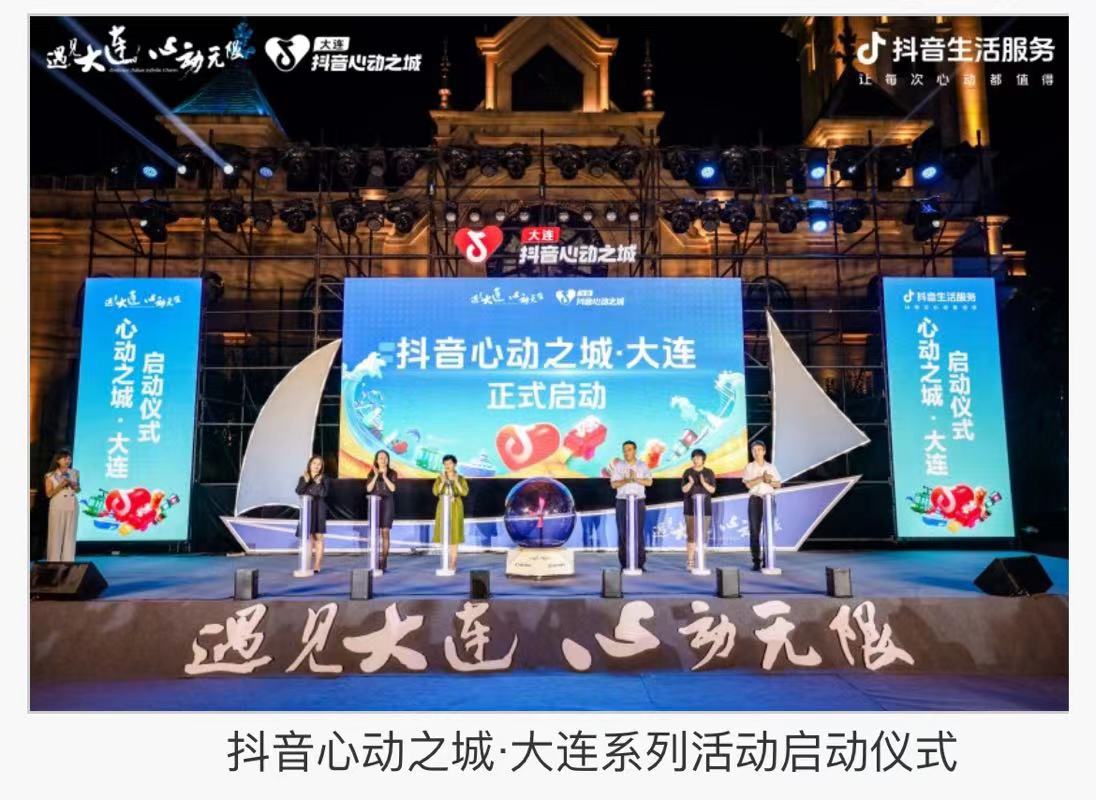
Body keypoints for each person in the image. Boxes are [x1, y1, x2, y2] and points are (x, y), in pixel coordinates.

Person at [609, 440, 652, 570]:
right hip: (623, 502)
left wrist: (636, 479)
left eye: (629, 449)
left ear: (635, 450)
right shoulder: (619, 466)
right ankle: (624, 563)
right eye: (624, 450)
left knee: (638, 531)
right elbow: (613, 484)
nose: (626, 452)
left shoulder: (642, 465)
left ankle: (639, 563)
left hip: (638, 501)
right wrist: (627, 480)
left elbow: (649, 482)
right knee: (622, 532)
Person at [742, 440, 782, 571]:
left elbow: (778, 484)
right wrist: (761, 478)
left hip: (769, 499)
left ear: (764, 451)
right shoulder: (749, 467)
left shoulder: (771, 467)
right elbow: (748, 485)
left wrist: (769, 481)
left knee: (769, 530)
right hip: (755, 499)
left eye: (759, 449)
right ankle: (756, 561)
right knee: (755, 530)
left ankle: (767, 560)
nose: (756, 452)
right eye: (754, 450)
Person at [432, 454, 469, 572]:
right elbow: (435, 492)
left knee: (454, 535)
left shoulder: (461, 478)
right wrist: (442, 482)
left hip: (456, 507)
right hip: (443, 506)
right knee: (444, 534)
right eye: (445, 464)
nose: (447, 466)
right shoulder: (440, 477)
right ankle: (445, 560)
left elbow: (464, 493)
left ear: (455, 464)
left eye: (450, 463)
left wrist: (456, 482)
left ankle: (453, 562)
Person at [681, 448, 716, 570]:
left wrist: (703, 482)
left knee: (702, 537)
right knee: (691, 536)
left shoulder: (709, 472)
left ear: (703, 459)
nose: (696, 460)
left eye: (698, 458)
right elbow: (684, 489)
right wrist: (690, 483)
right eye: (694, 458)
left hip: (705, 509)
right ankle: (690, 561)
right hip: (690, 509)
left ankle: (700, 560)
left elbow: (712, 490)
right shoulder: (687, 472)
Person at [295, 454, 330, 573]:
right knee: (308, 536)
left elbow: (323, 494)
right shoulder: (304, 477)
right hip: (307, 508)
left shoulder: (324, 479)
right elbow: (299, 491)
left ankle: (317, 565)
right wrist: (306, 481)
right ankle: (306, 564)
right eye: (314, 463)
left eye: (319, 464)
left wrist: (317, 483)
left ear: (321, 467)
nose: (316, 466)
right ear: (310, 464)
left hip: (319, 508)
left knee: (318, 536)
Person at [44, 448, 80, 561]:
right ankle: (53, 561)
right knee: (56, 534)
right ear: (58, 460)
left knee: (70, 534)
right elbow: (49, 494)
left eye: (69, 459)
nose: (67, 461)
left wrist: (74, 486)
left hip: (72, 504)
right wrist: (61, 485)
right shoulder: (50, 475)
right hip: (58, 505)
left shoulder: (75, 472)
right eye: (64, 458)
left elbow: (78, 490)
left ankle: (68, 560)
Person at [365, 449, 397, 570]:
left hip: (387, 504)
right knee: (375, 532)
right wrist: (375, 476)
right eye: (380, 458)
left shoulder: (392, 473)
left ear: (388, 460)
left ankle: (383, 560)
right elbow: (368, 489)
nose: (383, 460)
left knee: (385, 532)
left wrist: (384, 476)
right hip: (375, 504)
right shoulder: (371, 473)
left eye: (385, 457)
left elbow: (393, 488)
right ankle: (374, 559)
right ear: (376, 460)